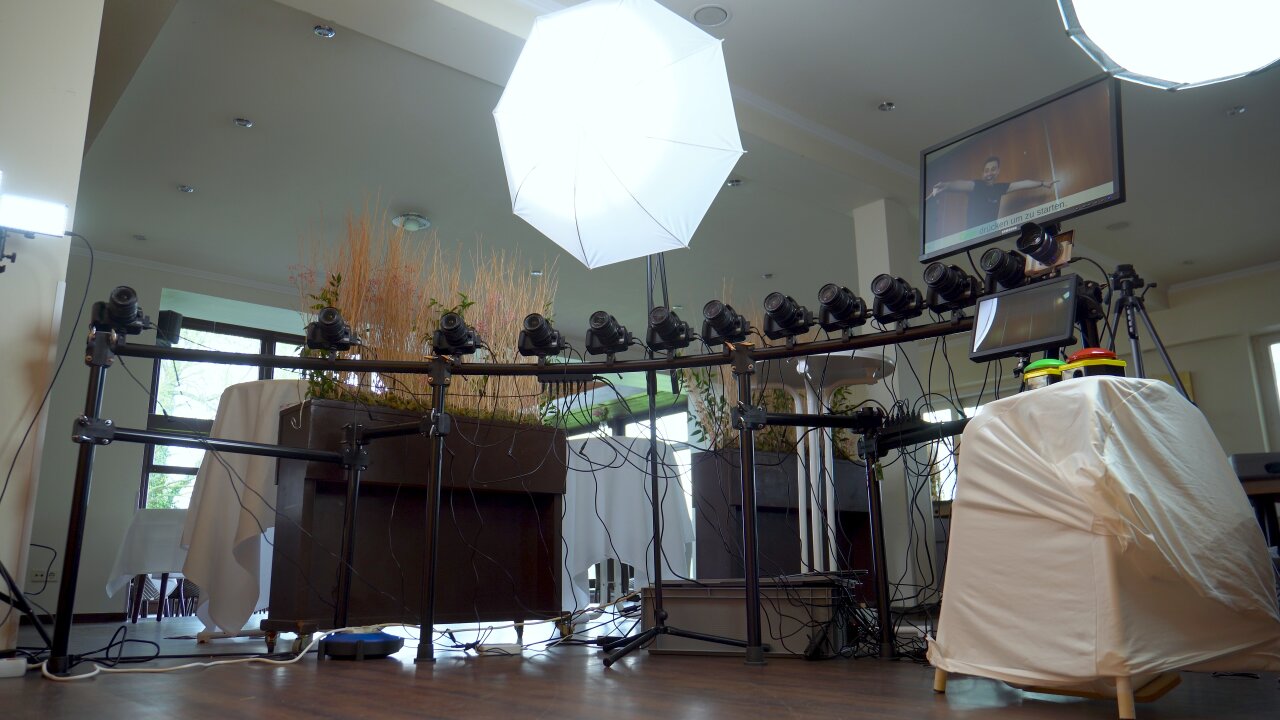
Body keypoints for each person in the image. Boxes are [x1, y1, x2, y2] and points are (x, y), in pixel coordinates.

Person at [929, 156, 1057, 229]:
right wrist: (946, 185)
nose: (989, 173)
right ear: (983, 173)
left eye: (993, 169)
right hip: (973, 234)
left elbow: (1022, 184)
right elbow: (960, 184)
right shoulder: (976, 185)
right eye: (986, 170)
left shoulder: (1000, 188)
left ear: (998, 171)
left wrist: (1043, 183)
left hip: (991, 232)